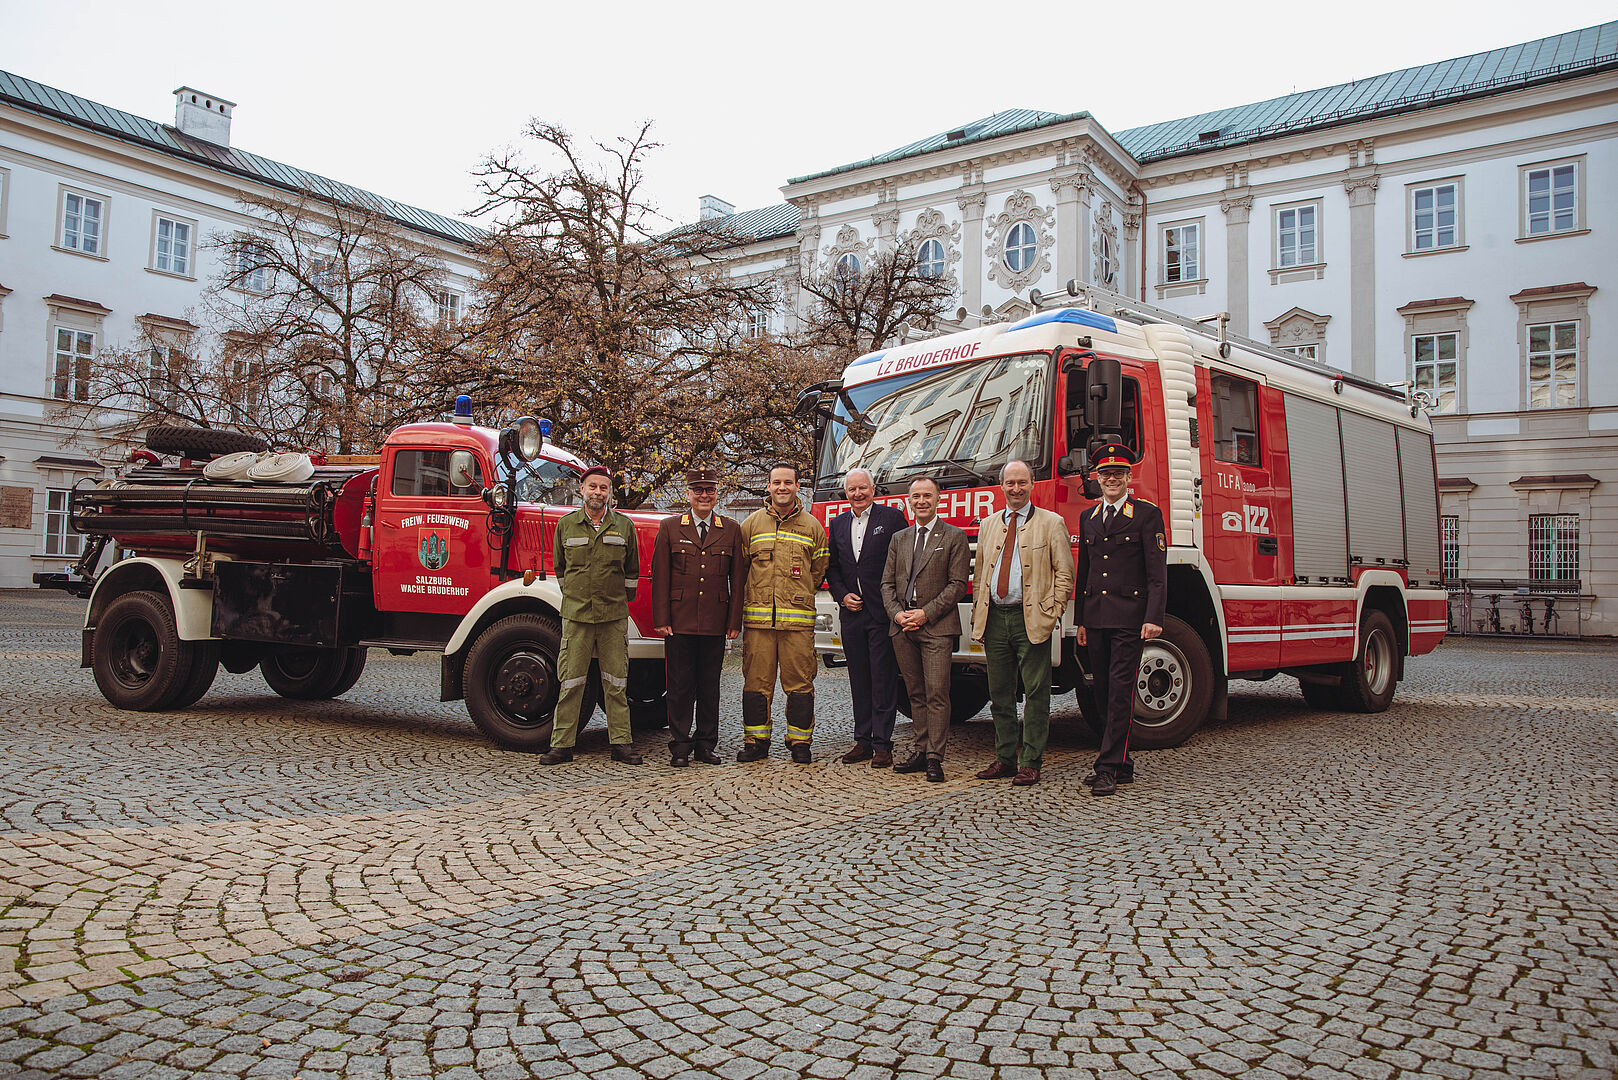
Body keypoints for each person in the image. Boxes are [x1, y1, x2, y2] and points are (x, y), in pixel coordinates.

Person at [970, 459, 1074, 787]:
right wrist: (979, 614)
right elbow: (980, 574)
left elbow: (1065, 573)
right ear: (1001, 486)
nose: (1016, 489)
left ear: (1032, 485)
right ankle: (1004, 758)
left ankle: (1030, 760)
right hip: (996, 619)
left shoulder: (1051, 522)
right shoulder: (988, 525)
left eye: (1022, 483)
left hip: (1031, 618)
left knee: (1036, 692)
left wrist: (1052, 610)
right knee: (999, 692)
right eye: (1010, 483)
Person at [1075, 444, 1166, 796]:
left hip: (1129, 617)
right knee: (1100, 690)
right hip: (1096, 618)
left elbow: (1156, 572)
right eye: (1105, 474)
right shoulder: (1089, 518)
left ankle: (1107, 766)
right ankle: (1123, 763)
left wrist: (1153, 616)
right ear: (1098, 479)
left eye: (1118, 474)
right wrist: (1081, 620)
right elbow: (1086, 571)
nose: (1112, 479)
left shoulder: (1146, 515)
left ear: (1129, 478)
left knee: (1119, 692)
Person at [539, 465, 643, 765]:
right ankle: (561, 745)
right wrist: (576, 596)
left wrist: (617, 600)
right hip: (577, 616)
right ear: (581, 489)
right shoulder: (566, 525)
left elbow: (631, 573)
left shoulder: (624, 527)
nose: (598, 492)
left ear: (610, 493)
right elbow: (560, 570)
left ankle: (621, 744)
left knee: (616, 682)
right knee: (571, 682)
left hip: (613, 616)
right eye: (593, 487)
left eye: (604, 488)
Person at [651, 468, 745, 767]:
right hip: (679, 620)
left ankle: (706, 744)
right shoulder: (669, 527)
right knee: (679, 687)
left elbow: (738, 580)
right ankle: (680, 745)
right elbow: (661, 576)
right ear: (687, 493)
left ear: (718, 494)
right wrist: (662, 618)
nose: (704, 495)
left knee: (709, 686)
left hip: (715, 622)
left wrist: (733, 622)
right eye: (698, 490)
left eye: (710, 490)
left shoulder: (730, 529)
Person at [738, 462, 829, 763]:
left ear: (797, 486)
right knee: (755, 684)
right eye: (776, 482)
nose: (782, 488)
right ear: (768, 486)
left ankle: (800, 742)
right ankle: (756, 742)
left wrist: (797, 597)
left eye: (788, 482)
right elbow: (740, 570)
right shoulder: (750, 525)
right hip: (759, 623)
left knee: (801, 684)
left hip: (798, 624)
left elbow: (817, 572)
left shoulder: (812, 527)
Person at [881, 475, 969, 782]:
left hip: (937, 627)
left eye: (927, 496)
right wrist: (897, 615)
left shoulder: (954, 536)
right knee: (914, 691)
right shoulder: (899, 538)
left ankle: (935, 756)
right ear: (909, 500)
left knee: (936, 692)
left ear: (938, 499)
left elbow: (958, 585)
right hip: (903, 627)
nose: (921, 501)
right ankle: (920, 750)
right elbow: (887, 583)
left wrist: (925, 613)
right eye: (916, 496)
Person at [826, 468, 909, 768]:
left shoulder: (892, 519)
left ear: (873, 489)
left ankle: (883, 744)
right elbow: (831, 567)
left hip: (882, 612)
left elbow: (903, 562)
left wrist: (896, 604)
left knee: (883, 679)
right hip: (852, 614)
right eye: (852, 490)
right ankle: (862, 740)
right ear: (846, 493)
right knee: (858, 679)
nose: (857, 494)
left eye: (863, 488)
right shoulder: (837, 524)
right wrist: (842, 595)